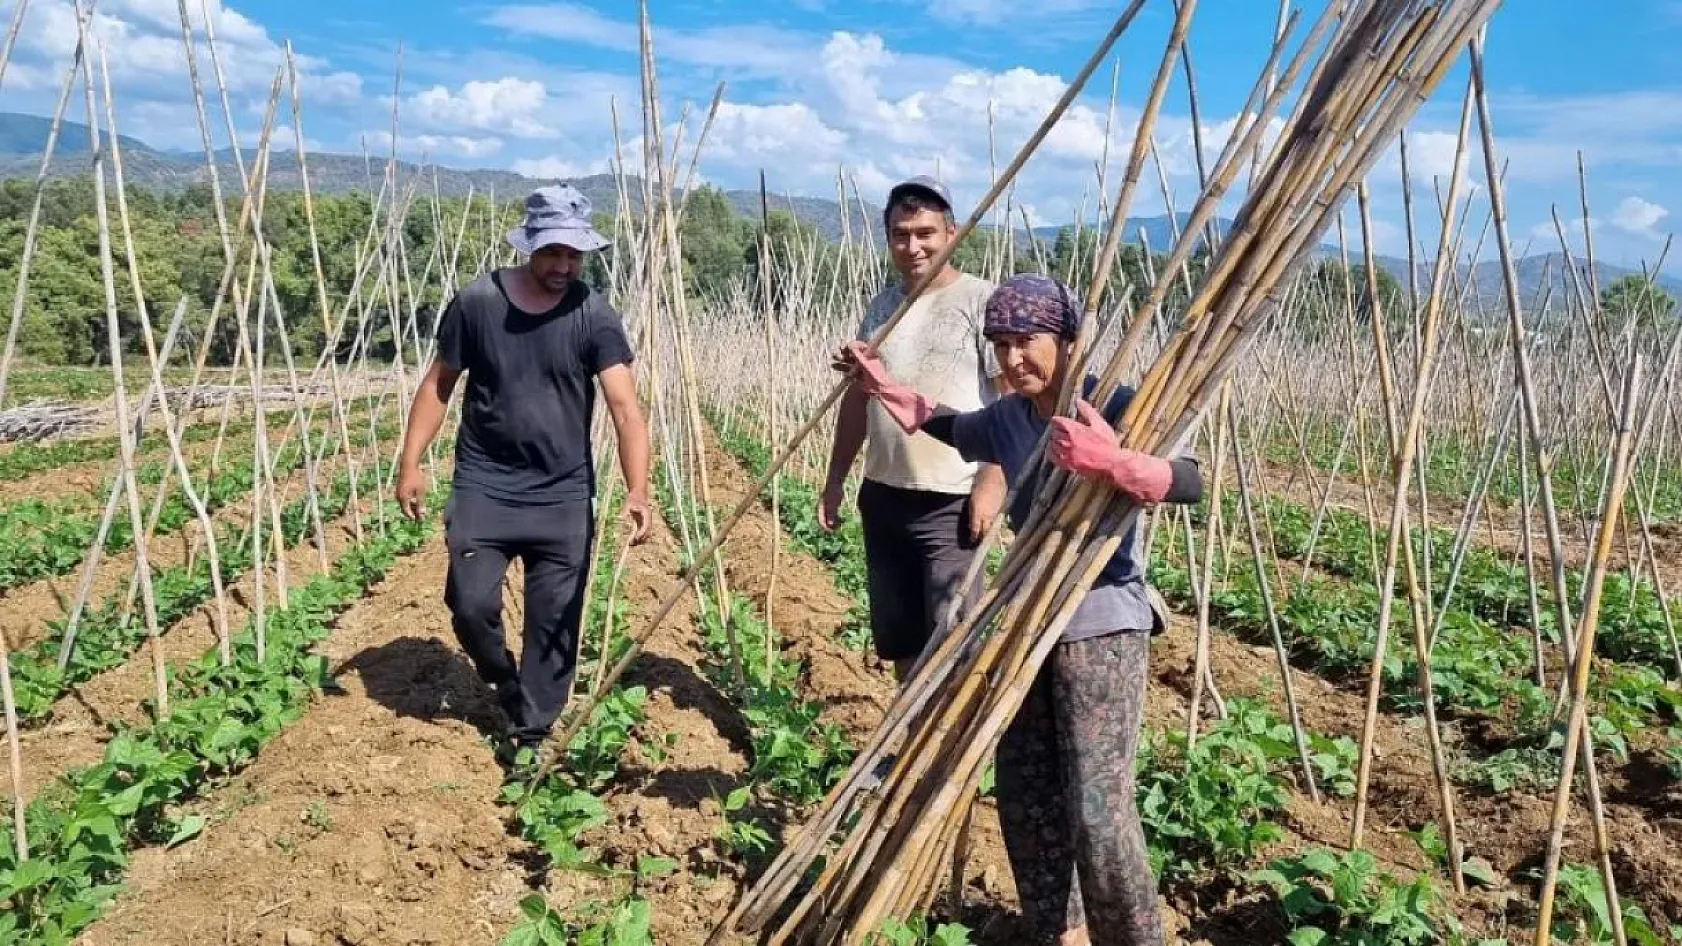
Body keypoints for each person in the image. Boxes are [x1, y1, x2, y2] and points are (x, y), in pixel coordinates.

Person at [834, 274, 1202, 946]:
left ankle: (1133, 937)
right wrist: (880, 384)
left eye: (1025, 342)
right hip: (1026, 625)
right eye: (999, 344)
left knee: (1099, 807)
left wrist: (1115, 463)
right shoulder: (1009, 418)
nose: (1011, 359)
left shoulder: (1118, 404)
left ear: (1067, 340)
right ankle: (1059, 932)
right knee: (1027, 796)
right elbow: (943, 424)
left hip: (1101, 624)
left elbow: (1190, 479)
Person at [396, 183, 653, 772]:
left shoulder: (592, 313)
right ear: (529, 246)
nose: (564, 265)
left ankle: (533, 733)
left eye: (574, 255)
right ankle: (506, 688)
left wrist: (638, 490)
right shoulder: (479, 302)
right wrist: (411, 462)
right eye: (553, 253)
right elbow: (440, 384)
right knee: (469, 602)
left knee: (555, 623)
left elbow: (624, 408)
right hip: (485, 485)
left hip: (562, 494)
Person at [820, 175, 1007, 680]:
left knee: (952, 638)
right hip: (884, 494)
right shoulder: (883, 307)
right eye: (901, 235)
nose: (914, 246)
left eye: (925, 232)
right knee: (900, 635)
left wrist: (991, 483)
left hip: (953, 498)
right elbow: (860, 397)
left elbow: (1011, 403)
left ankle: (949, 752)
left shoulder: (983, 302)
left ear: (952, 233)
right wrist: (837, 478)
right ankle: (907, 749)